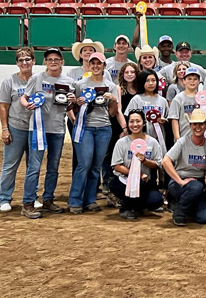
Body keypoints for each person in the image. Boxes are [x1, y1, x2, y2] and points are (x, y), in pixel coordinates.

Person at [20, 48, 75, 219]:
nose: (53, 62)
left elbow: (69, 105)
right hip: (37, 128)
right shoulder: (36, 78)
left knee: (53, 167)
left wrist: (73, 102)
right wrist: (26, 105)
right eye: (50, 59)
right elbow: (25, 97)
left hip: (57, 129)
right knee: (34, 166)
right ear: (45, 62)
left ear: (62, 62)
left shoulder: (68, 81)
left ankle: (48, 199)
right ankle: (28, 202)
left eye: (56, 59)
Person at [67, 53, 119, 214]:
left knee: (96, 166)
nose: (96, 66)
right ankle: (75, 200)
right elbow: (70, 106)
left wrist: (113, 100)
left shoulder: (110, 86)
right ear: (89, 65)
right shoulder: (80, 84)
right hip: (85, 128)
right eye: (93, 63)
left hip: (104, 128)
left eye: (99, 63)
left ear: (104, 66)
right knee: (84, 164)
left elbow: (112, 112)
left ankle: (90, 200)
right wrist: (76, 104)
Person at [163, 108, 206, 226]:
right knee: (196, 187)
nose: (198, 127)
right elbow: (166, 161)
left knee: (204, 218)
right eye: (195, 124)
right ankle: (179, 214)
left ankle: (184, 205)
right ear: (190, 125)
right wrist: (180, 181)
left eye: (201, 124)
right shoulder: (182, 142)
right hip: (179, 181)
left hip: (199, 183)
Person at [109, 110, 163, 220]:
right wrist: (136, 174)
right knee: (126, 184)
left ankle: (138, 205)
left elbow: (158, 164)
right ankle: (125, 208)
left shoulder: (152, 142)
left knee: (156, 200)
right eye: (131, 121)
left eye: (138, 121)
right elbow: (117, 166)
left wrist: (145, 161)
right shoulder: (122, 142)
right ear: (128, 124)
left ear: (144, 123)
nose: (135, 124)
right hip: (123, 180)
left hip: (145, 181)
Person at [0, 48, 36, 212]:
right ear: (16, 63)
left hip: (35, 129)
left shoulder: (39, 80)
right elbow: (3, 106)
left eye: (27, 59)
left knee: (33, 166)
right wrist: (5, 129)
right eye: (20, 60)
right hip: (16, 128)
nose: (24, 63)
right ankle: (4, 198)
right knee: (10, 165)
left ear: (33, 61)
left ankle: (31, 198)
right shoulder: (10, 81)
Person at [103, 62, 138, 201]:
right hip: (120, 125)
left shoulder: (139, 89)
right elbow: (118, 110)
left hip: (136, 126)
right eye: (127, 72)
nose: (129, 74)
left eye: (132, 72)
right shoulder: (118, 88)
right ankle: (110, 187)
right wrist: (125, 129)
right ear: (122, 74)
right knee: (113, 155)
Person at [125, 69, 169, 151]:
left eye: (153, 80)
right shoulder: (137, 99)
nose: (151, 83)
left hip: (159, 139)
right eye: (147, 81)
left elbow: (168, 119)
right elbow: (128, 118)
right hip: (140, 138)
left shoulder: (163, 100)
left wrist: (164, 121)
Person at [168, 67, 202, 141]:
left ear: (199, 81)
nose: (192, 82)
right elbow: (174, 119)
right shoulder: (178, 99)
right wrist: (177, 138)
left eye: (195, 79)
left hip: (201, 138)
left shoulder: (202, 97)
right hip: (184, 137)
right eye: (189, 79)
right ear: (184, 81)